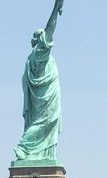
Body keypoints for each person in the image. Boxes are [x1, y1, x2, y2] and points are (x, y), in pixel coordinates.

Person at [15, 0, 65, 162]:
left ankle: (40, 154)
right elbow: (50, 29)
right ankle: (24, 149)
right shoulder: (38, 55)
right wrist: (56, 8)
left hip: (45, 96)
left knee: (44, 124)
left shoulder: (34, 58)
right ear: (40, 42)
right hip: (44, 99)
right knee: (44, 122)